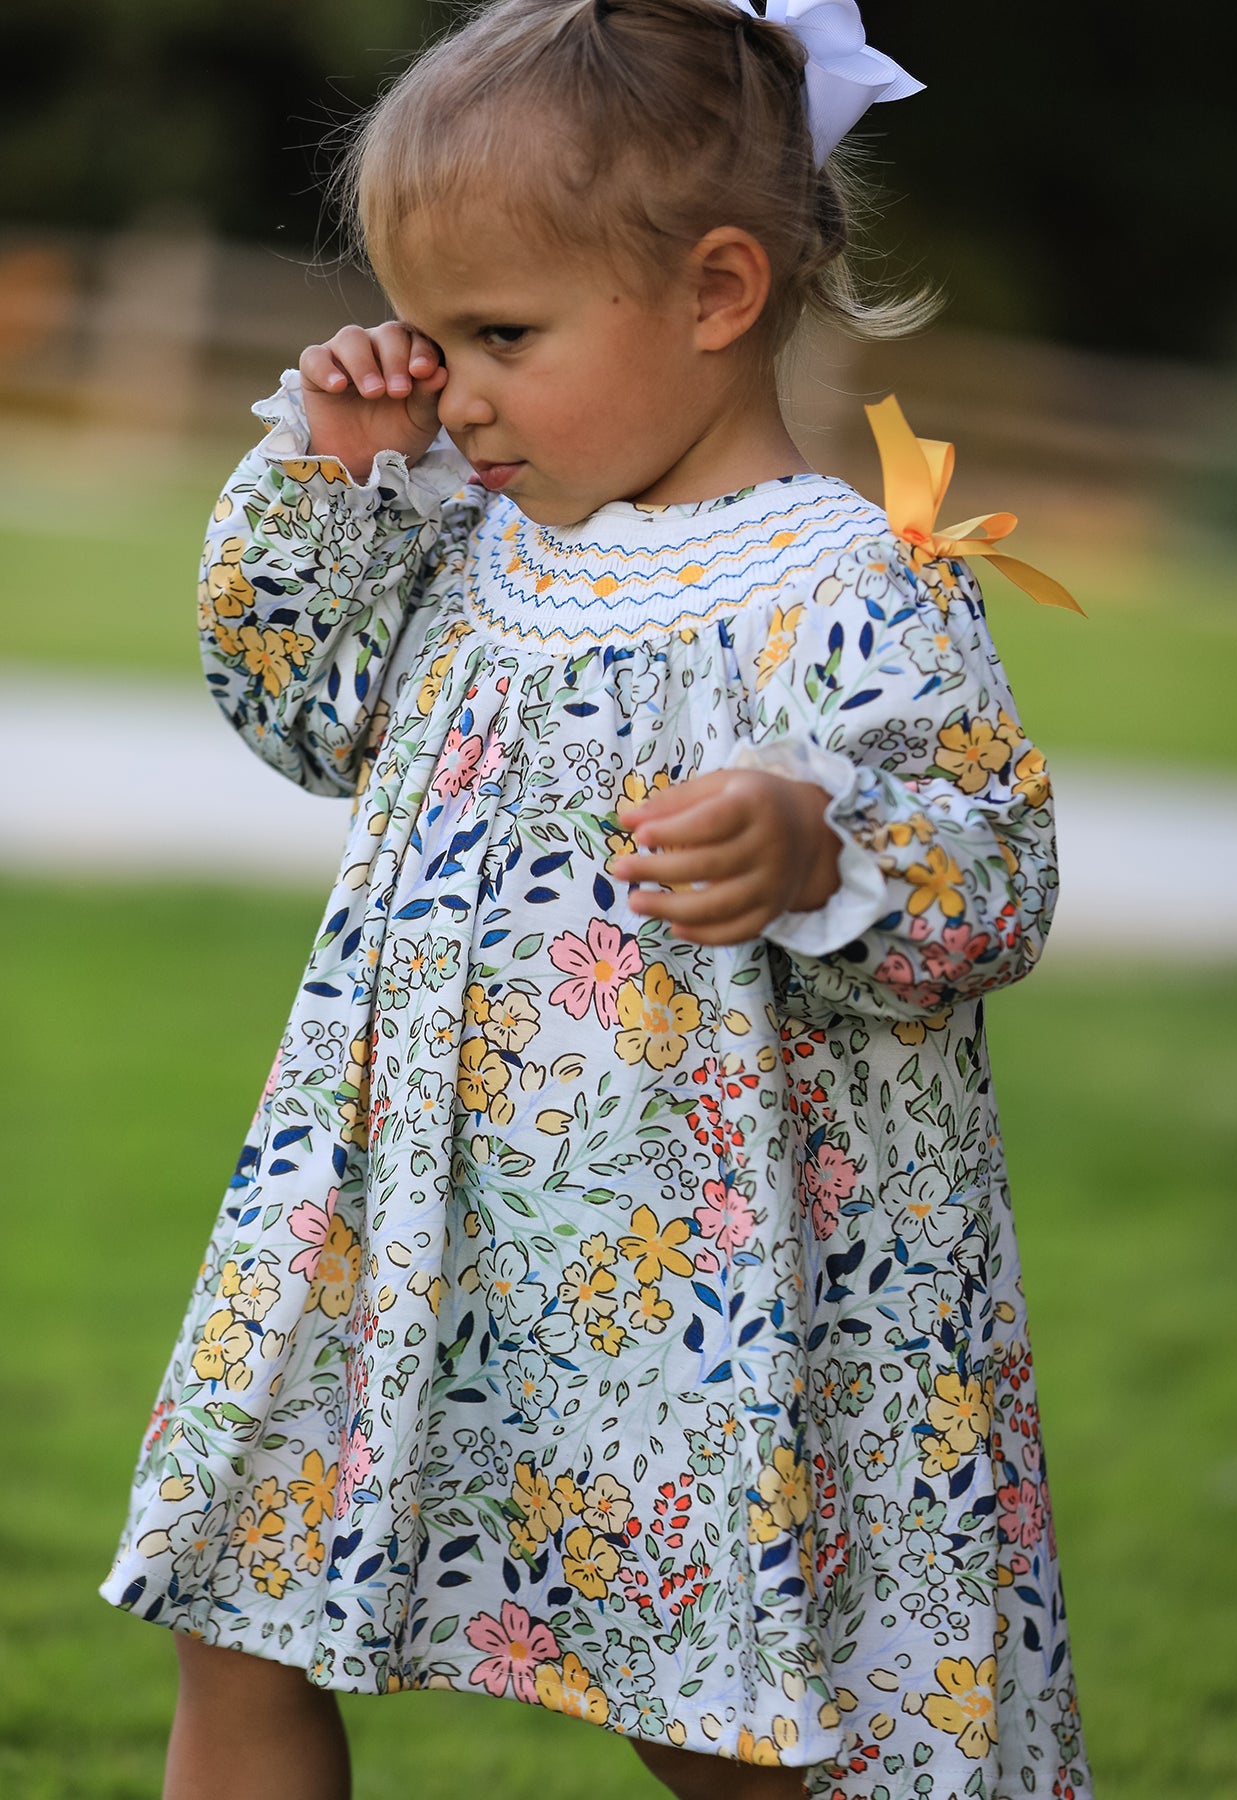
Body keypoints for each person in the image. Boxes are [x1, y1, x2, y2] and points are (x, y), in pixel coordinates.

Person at [101, 3, 1093, 1798]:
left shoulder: (842, 582)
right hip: (390, 1206)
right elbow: (301, 710)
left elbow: (995, 880)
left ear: (715, 294)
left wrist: (824, 846)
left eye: (501, 336)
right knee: (238, 1599)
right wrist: (332, 480)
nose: (456, 393)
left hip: (693, 1270)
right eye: (428, 338)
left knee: (720, 1709)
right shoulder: (464, 546)